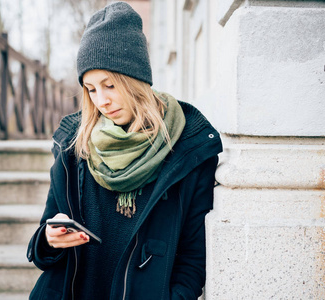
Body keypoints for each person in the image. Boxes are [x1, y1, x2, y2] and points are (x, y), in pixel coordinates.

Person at [26, 2, 222, 300]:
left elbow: (193, 260)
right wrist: (48, 240)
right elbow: (44, 244)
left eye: (110, 85)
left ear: (136, 80)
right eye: (91, 89)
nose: (101, 100)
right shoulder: (74, 145)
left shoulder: (188, 149)